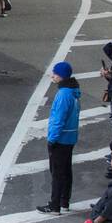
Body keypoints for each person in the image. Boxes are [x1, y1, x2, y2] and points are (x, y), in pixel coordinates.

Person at [40, 61, 81, 214]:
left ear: (61, 76)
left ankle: (54, 205)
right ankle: (64, 201)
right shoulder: (73, 92)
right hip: (70, 137)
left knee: (57, 172)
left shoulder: (63, 94)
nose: (52, 75)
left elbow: (58, 119)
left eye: (55, 73)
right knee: (66, 170)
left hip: (61, 138)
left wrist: (52, 139)